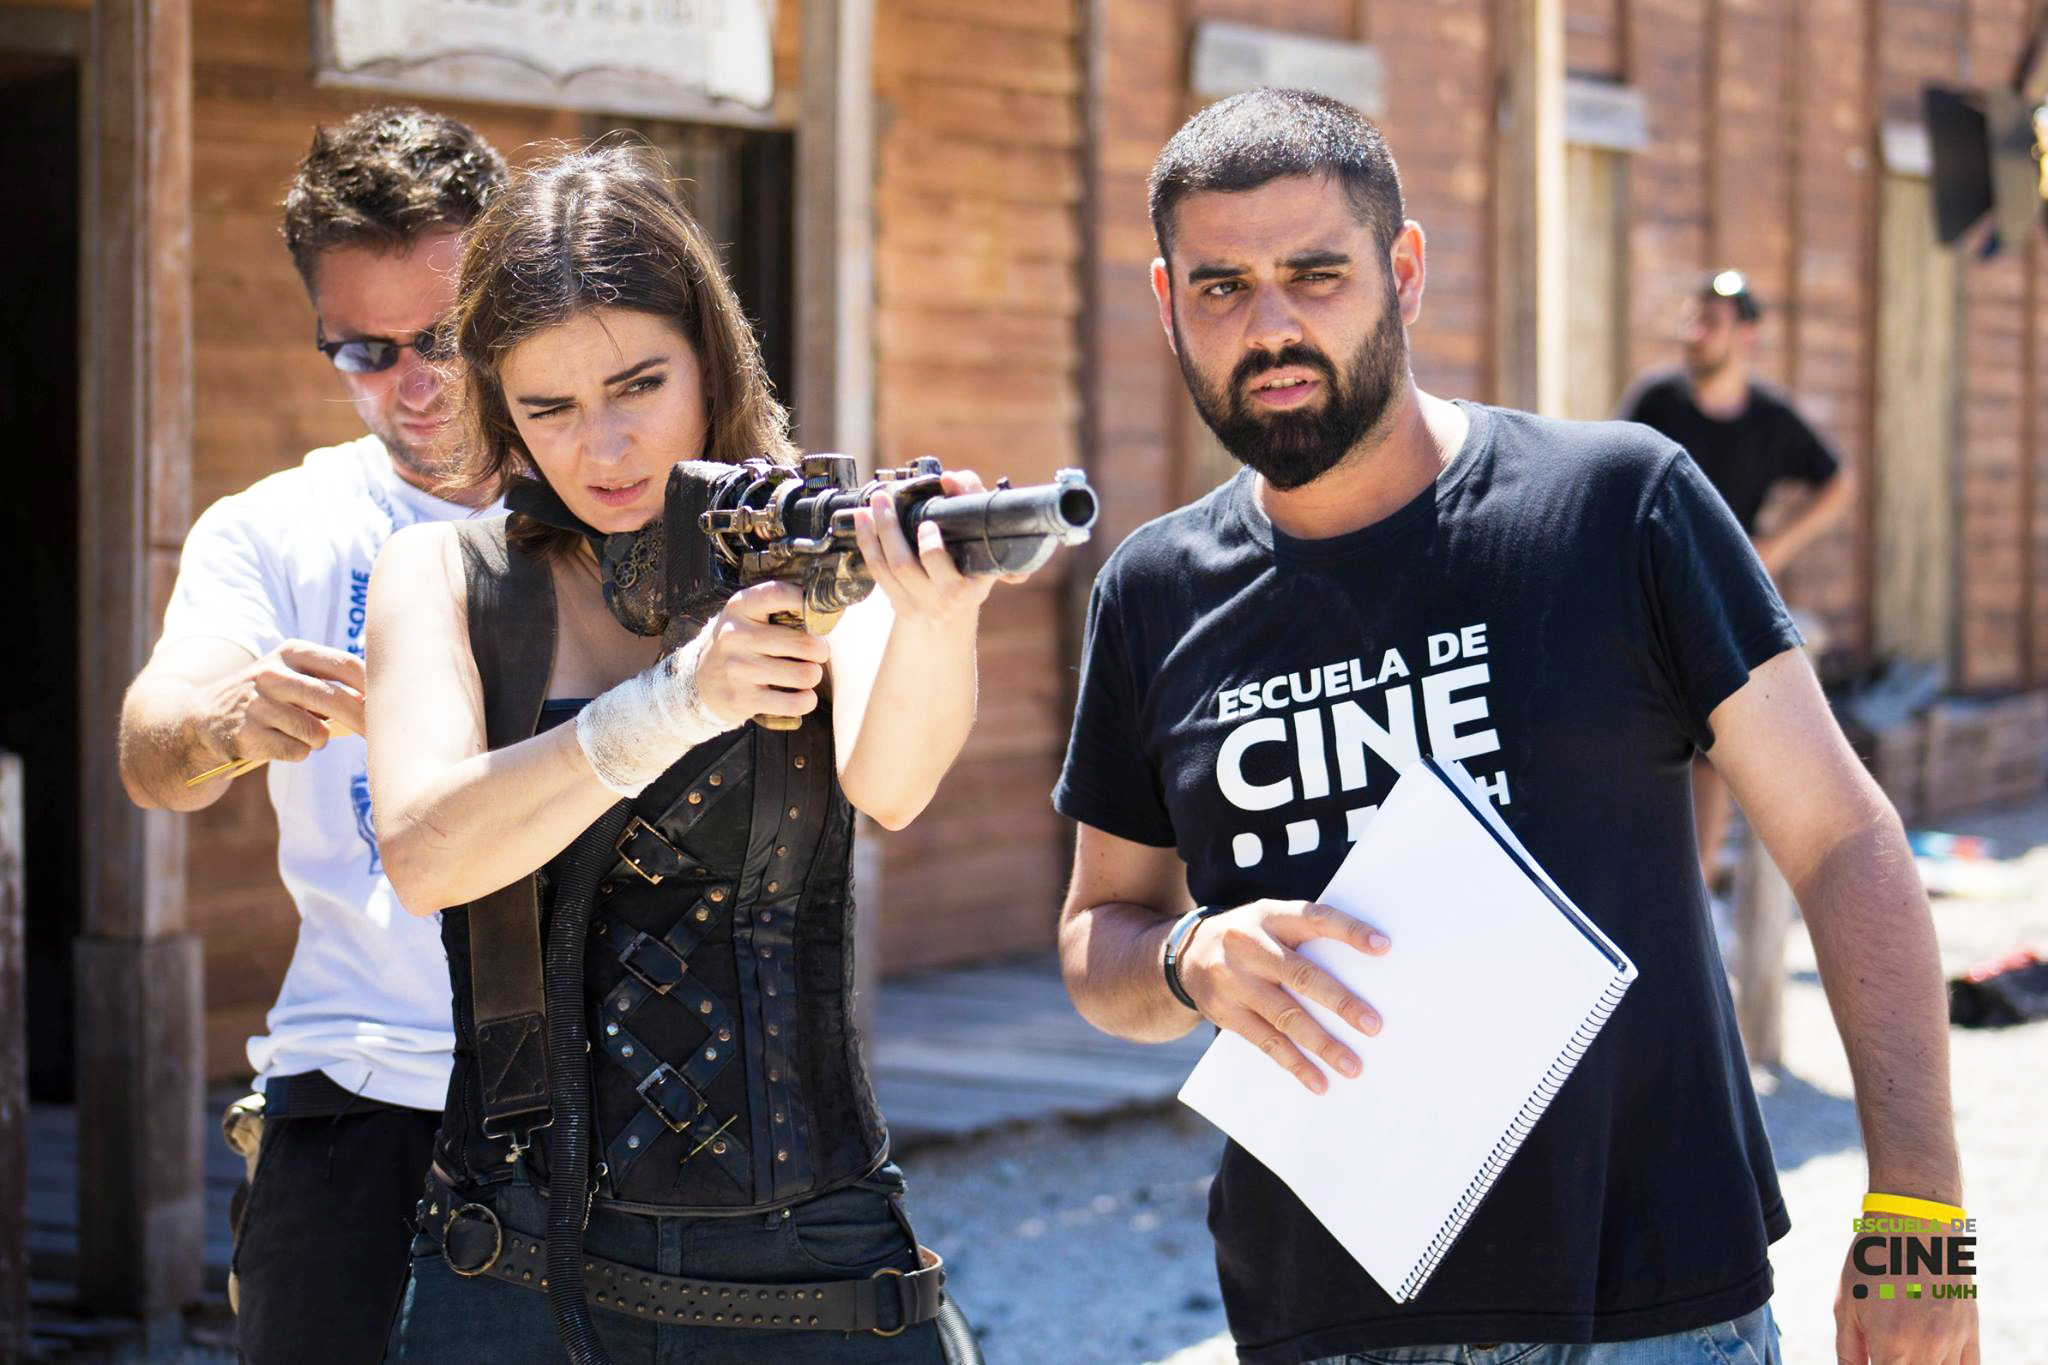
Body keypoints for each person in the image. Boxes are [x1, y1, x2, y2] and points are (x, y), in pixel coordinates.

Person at [1054, 90, 1977, 1365]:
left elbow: (1839, 840)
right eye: (1221, 288)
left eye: (1315, 275)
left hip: (1652, 1315)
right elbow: (1097, 932)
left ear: (1403, 271)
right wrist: (1187, 958)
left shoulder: (1616, 504)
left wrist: (1922, 1224)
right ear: (1166, 303)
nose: (1269, 327)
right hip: (1330, 1321)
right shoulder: (1151, 595)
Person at [367, 142, 1003, 1363]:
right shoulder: (447, 576)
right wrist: (674, 702)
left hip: (811, 1253)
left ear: (710, 362)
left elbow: (893, 786)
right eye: (549, 409)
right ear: (499, 409)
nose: (601, 448)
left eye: (637, 387)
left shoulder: (805, 542)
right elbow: (425, 855)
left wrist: (935, 617)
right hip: (514, 1253)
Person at [116, 107, 507, 1363]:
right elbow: (151, 749)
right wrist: (230, 720)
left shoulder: (611, 491)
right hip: (357, 1079)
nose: (416, 383)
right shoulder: (276, 524)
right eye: (365, 351)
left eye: (443, 337)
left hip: (605, 1080)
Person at [1617, 270, 1856, 885]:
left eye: (1712, 322)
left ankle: (1697, 890)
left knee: (1713, 750)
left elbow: (1838, 482)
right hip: (1648, 599)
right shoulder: (1656, 402)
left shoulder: (1771, 419)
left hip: (1722, 605)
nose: (1694, 333)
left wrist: (1776, 546)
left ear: (1746, 335)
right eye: (1691, 319)